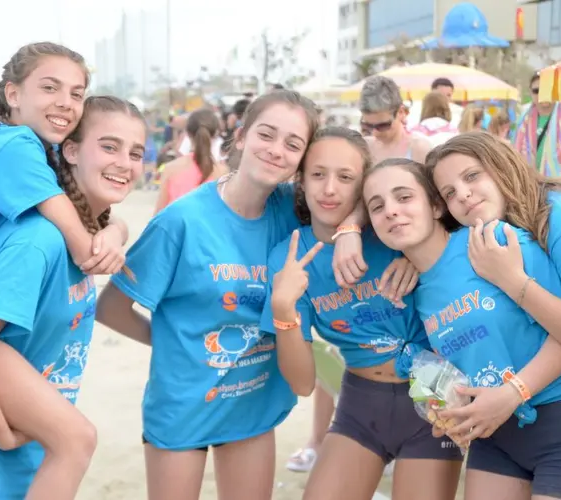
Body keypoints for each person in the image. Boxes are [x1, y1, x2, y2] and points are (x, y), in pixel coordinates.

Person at [96, 90, 368, 500]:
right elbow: (111, 308)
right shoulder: (181, 222)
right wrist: (173, 341)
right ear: (240, 136)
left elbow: (364, 189)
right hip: (183, 407)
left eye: (293, 144)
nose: (277, 151)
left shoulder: (292, 210)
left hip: (253, 407)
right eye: (267, 135)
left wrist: (351, 230)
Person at [363, 153, 561, 500]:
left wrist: (515, 393)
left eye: (404, 197)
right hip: (495, 440)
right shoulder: (413, 292)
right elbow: (446, 361)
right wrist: (443, 403)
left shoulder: (492, 242)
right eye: (377, 207)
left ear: (437, 207)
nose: (390, 210)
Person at [424, 130, 561, 499]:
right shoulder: (501, 228)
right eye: (449, 192)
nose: (464, 194)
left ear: (502, 166)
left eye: (472, 176)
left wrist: (512, 281)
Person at [262, 126, 463, 500]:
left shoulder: (394, 228)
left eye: (346, 177)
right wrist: (283, 308)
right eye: (318, 174)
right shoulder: (289, 257)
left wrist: (412, 257)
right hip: (360, 405)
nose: (330, 189)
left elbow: (448, 223)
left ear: (363, 185)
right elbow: (303, 385)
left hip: (433, 394)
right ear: (301, 181)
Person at [0, 95, 146, 498]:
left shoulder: (90, 234)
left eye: (136, 152)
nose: (125, 163)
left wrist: (117, 231)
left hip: (37, 458)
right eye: (110, 146)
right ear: (72, 149)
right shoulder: (39, 242)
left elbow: (114, 224)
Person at [0, 42, 128, 276]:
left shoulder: (49, 149)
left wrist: (115, 231)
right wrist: (107, 241)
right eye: (49, 88)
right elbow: (86, 254)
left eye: (76, 94)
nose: (65, 103)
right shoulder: (13, 146)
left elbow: (91, 217)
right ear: (13, 95)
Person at [154, 108, 228, 214]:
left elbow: (159, 215)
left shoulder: (171, 169)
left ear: (187, 133)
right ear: (216, 133)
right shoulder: (223, 172)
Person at [358, 76, 431, 164]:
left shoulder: (420, 150)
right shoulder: (363, 148)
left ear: (401, 112)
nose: (375, 133)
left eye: (383, 126)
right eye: (367, 126)